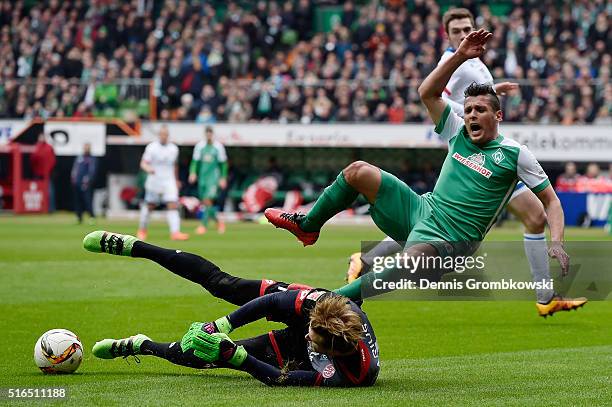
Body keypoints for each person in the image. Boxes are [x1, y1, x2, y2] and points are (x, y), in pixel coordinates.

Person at [265, 29, 586, 317]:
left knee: (404, 264)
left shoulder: (515, 153)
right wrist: (459, 55)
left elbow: (551, 202)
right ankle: (308, 226)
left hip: (453, 239)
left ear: (498, 115)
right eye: (469, 109)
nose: (472, 114)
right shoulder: (457, 131)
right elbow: (426, 93)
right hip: (422, 209)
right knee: (358, 171)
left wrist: (557, 241)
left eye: (480, 110)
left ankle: (325, 303)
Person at [82, 230, 379, 387]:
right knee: (224, 285)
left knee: (202, 356)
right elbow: (272, 302)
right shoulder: (318, 305)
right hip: (319, 305)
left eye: (313, 338)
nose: (307, 335)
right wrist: (220, 325)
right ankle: (135, 246)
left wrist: (234, 356)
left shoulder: (347, 377)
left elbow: (282, 379)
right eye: (311, 331)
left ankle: (139, 344)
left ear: (332, 352)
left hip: (312, 346)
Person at [137, 125, 189, 241]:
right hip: (154, 180)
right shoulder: (152, 147)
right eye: (162, 134)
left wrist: (176, 180)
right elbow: (143, 163)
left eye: (166, 134)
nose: (164, 136)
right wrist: (148, 169)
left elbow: (174, 165)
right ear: (159, 135)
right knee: (150, 205)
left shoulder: (174, 148)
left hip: (168, 181)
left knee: (173, 205)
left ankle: (175, 232)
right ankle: (142, 229)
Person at [188, 125, 228, 234]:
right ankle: (219, 222)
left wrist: (223, 178)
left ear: (213, 134)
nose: (209, 135)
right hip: (203, 178)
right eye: (207, 132)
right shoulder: (200, 146)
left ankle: (203, 225)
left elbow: (223, 164)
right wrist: (192, 173)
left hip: (213, 178)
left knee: (208, 200)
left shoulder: (218, 147)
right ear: (205, 134)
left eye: (211, 132)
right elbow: (195, 162)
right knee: (205, 202)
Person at [71, 142, 97, 223]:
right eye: (85, 147)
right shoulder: (80, 157)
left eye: (87, 147)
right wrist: (73, 178)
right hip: (77, 183)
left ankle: (91, 216)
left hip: (85, 184)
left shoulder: (92, 158)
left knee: (87, 200)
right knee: (77, 201)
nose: (86, 149)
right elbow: (75, 169)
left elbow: (92, 171)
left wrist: (87, 180)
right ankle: (79, 217)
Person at [30, 132, 56, 212]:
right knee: (36, 191)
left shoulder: (49, 148)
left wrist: (48, 170)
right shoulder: (36, 147)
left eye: (43, 137)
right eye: (41, 137)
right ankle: (37, 208)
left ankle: (50, 209)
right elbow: (33, 159)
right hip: (37, 174)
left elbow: (52, 161)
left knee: (49, 192)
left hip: (47, 174)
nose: (42, 138)